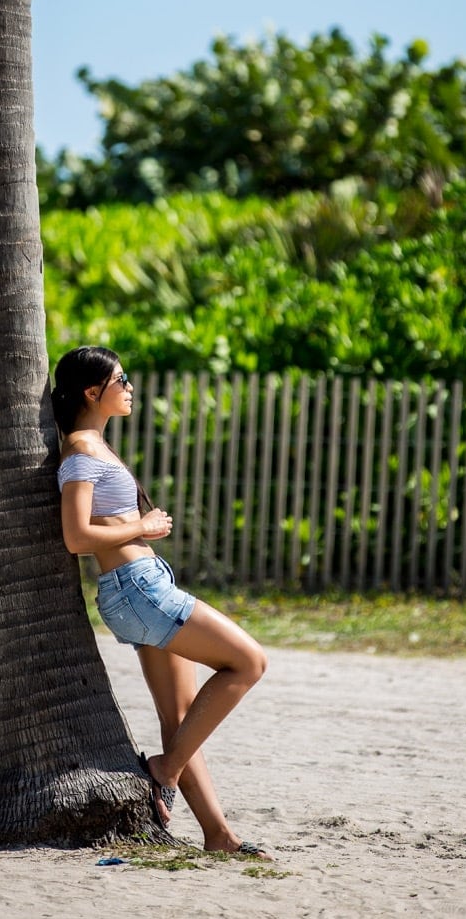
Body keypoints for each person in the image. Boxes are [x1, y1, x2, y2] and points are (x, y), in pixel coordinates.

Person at [52, 344, 271, 858]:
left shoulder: (94, 445)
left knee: (180, 720)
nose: (129, 387)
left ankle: (218, 835)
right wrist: (144, 526)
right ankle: (164, 770)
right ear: (92, 392)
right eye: (120, 379)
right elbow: (76, 536)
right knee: (248, 663)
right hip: (138, 588)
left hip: (139, 587)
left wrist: (135, 529)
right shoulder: (82, 451)